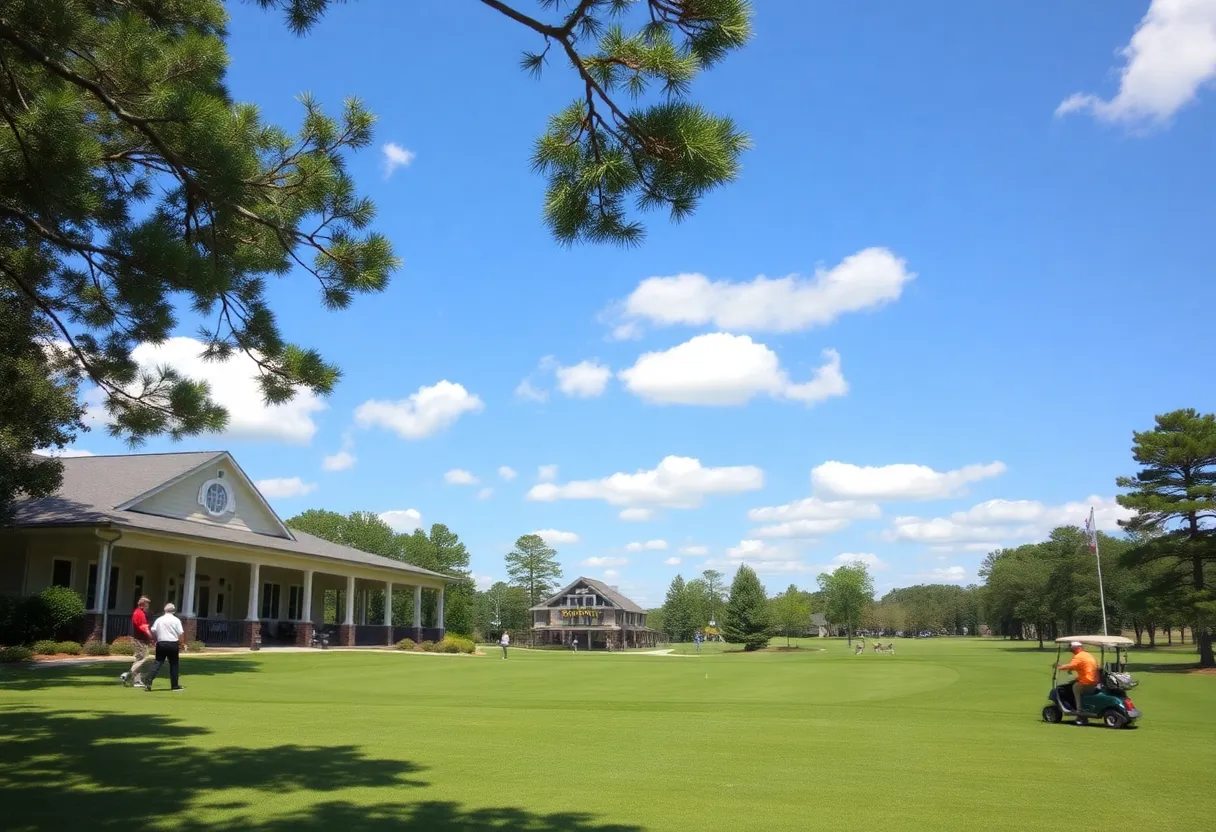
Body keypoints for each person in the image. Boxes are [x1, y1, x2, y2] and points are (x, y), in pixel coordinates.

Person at [144, 603, 187, 692]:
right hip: (172, 644)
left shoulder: (159, 619)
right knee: (174, 664)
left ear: (165, 610)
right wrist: (182, 644)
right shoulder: (176, 620)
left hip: (161, 643)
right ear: (173, 611)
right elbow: (181, 633)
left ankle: (149, 679)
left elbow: (153, 630)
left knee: (158, 662)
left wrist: (156, 639)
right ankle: (174, 685)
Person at [1058, 640, 1098, 724]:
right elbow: (1078, 666)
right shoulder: (1087, 655)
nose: (1070, 650)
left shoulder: (1079, 656)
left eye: (1071, 648)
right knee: (1075, 682)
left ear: (1075, 648)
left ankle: (1080, 714)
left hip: (1086, 681)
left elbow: (1072, 665)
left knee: (1075, 688)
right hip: (1093, 681)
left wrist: (1061, 667)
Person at [120, 596, 155, 688]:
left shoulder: (138, 612)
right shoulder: (139, 613)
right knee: (143, 657)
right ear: (143, 605)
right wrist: (151, 637)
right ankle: (127, 675)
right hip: (139, 639)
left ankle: (137, 681)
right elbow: (143, 627)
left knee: (138, 660)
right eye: (147, 604)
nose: (148, 606)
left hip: (139, 639)